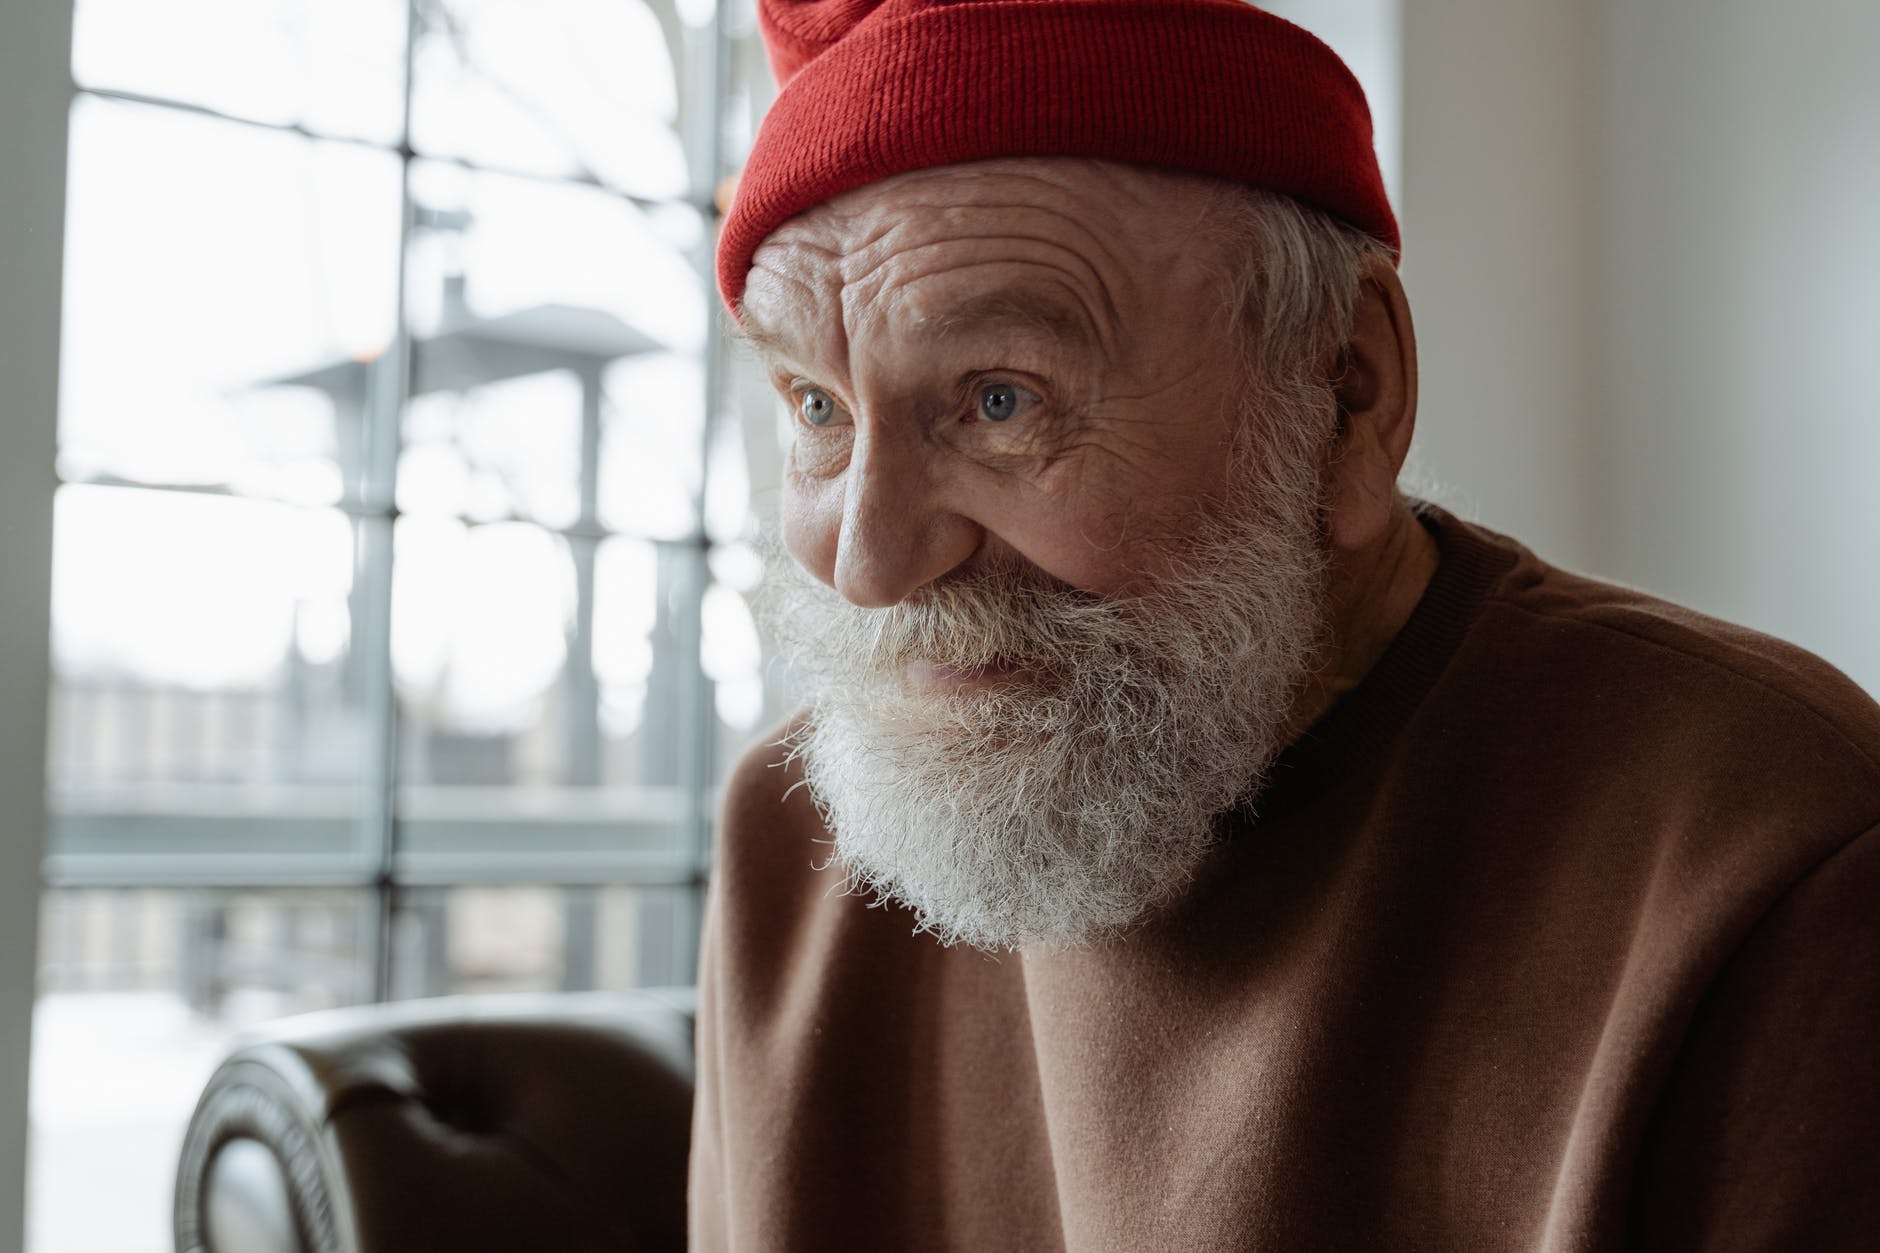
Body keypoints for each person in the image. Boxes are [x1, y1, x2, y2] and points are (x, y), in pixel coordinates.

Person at [689, 1, 1880, 1248]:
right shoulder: (794, 839)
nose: (868, 563)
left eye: (999, 399)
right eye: (815, 406)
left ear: (1345, 394)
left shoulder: (1774, 856)